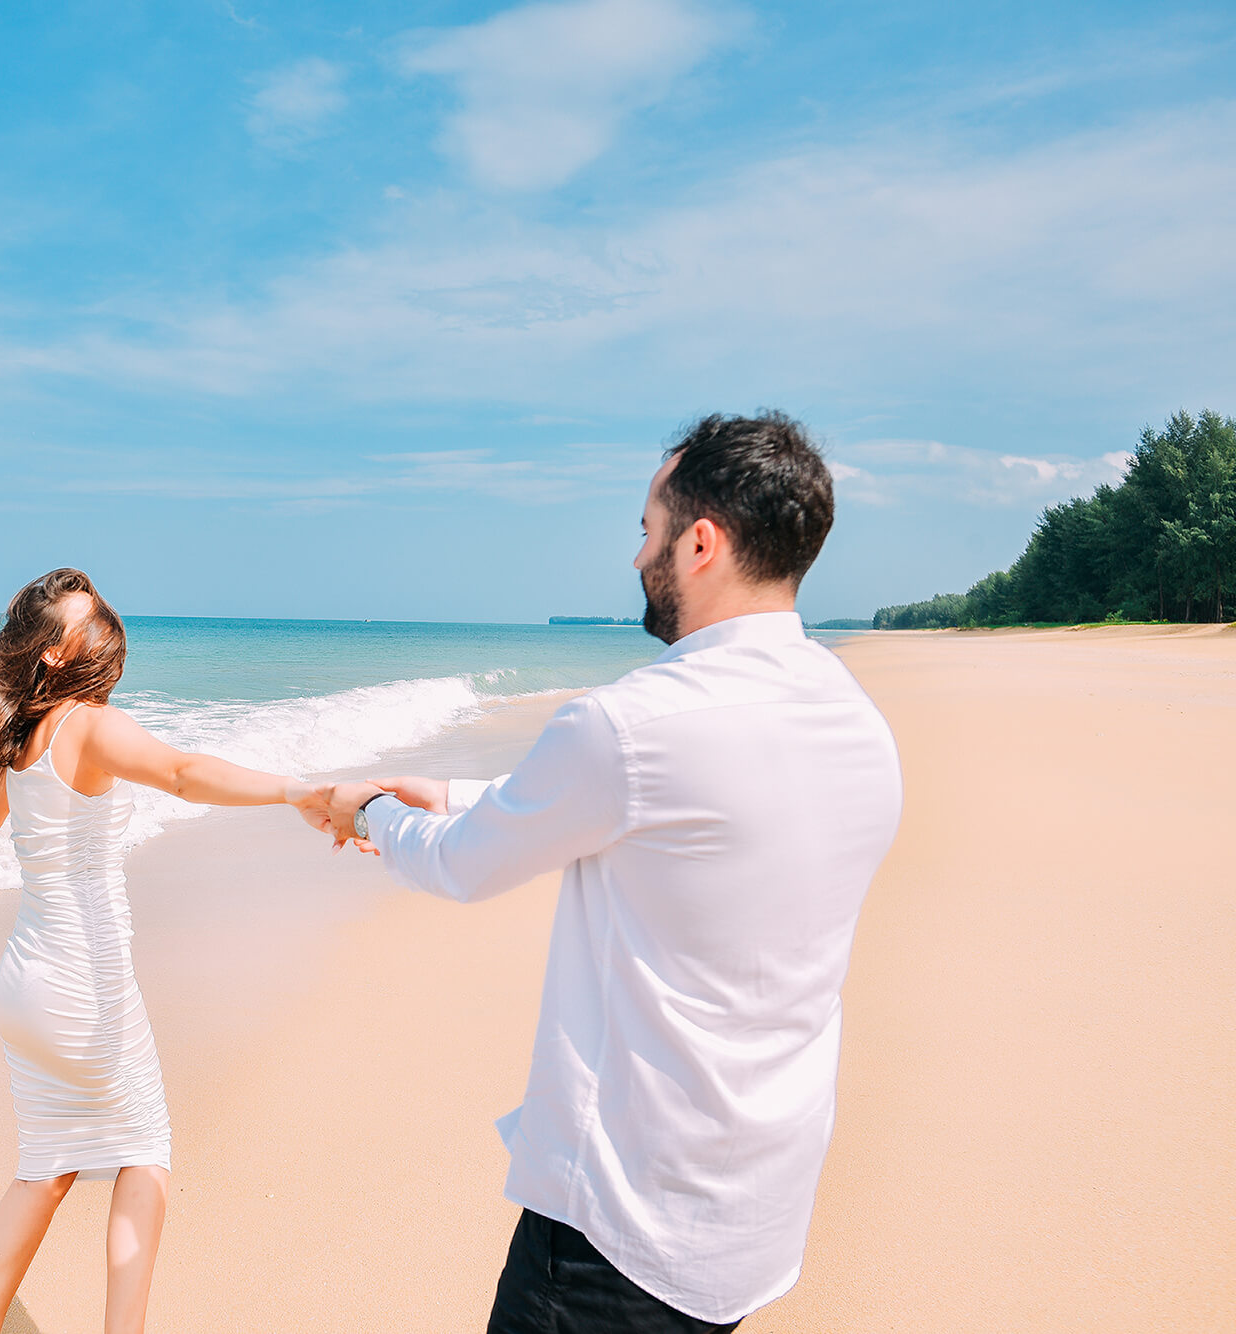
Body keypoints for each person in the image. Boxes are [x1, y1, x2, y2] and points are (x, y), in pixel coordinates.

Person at [315, 413, 904, 1332]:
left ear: (700, 542)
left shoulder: (633, 723)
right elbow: (649, 816)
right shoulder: (856, 722)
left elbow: (465, 868)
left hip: (621, 1228)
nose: (638, 557)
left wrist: (371, 815)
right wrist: (442, 788)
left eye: (647, 530)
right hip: (751, 1213)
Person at [0, 568, 323, 1334]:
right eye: (87, 617)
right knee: (144, 1155)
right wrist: (299, 792)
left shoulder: (25, 735)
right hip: (79, 986)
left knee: (45, 1170)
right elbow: (184, 774)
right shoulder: (90, 725)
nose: (106, 623)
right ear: (57, 654)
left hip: (24, 984)